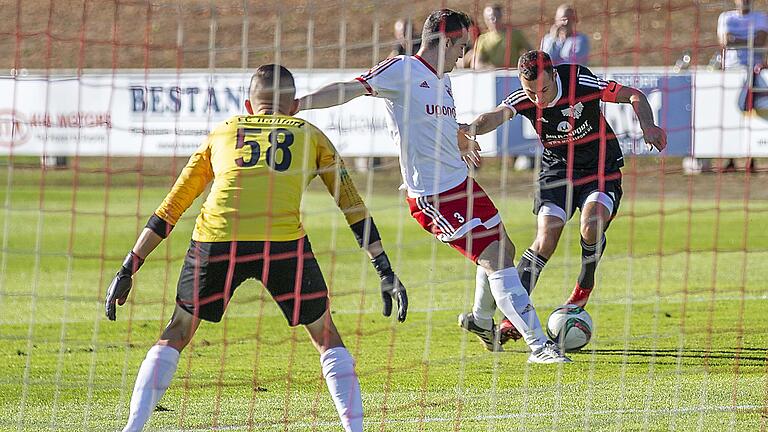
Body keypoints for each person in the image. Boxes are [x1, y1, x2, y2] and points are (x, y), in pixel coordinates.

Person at [105, 64, 408, 432]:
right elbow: (351, 205)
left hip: (216, 240)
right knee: (326, 335)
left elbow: (171, 207)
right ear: (294, 104)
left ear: (249, 105)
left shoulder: (223, 132)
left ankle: (132, 428)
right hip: (281, 245)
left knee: (179, 330)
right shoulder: (311, 134)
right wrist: (384, 269)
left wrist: (128, 267)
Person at [298, 9, 569, 363]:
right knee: (494, 259)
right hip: (432, 195)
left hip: (461, 184)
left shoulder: (443, 80)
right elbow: (349, 89)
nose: (463, 54)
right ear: (444, 40)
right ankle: (538, 346)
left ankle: (480, 319)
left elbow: (441, 125)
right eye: (461, 46)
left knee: (504, 247)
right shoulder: (402, 69)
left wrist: (463, 141)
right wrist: (300, 104)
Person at [461, 51, 666, 344]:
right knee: (546, 237)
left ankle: (584, 284)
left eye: (543, 90)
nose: (538, 99)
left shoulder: (579, 81)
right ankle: (511, 319)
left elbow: (634, 95)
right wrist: (468, 131)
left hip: (599, 168)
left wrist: (647, 125)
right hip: (557, 170)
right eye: (531, 92)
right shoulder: (524, 98)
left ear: (554, 76)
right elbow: (494, 116)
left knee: (591, 223)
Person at [717, 0, 767, 172]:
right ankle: (731, 158)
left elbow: (760, 40)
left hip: (753, 71)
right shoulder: (726, 17)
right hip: (731, 74)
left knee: (750, 114)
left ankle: (750, 158)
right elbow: (725, 41)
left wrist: (736, 39)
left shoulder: (759, 17)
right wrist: (749, 39)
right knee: (731, 117)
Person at [469, 4, 532, 70]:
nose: (495, 20)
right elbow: (476, 63)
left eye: (498, 17)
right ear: (485, 20)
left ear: (502, 17)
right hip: (492, 76)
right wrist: (492, 69)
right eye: (491, 18)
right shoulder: (482, 39)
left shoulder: (515, 34)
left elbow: (531, 52)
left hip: (513, 75)